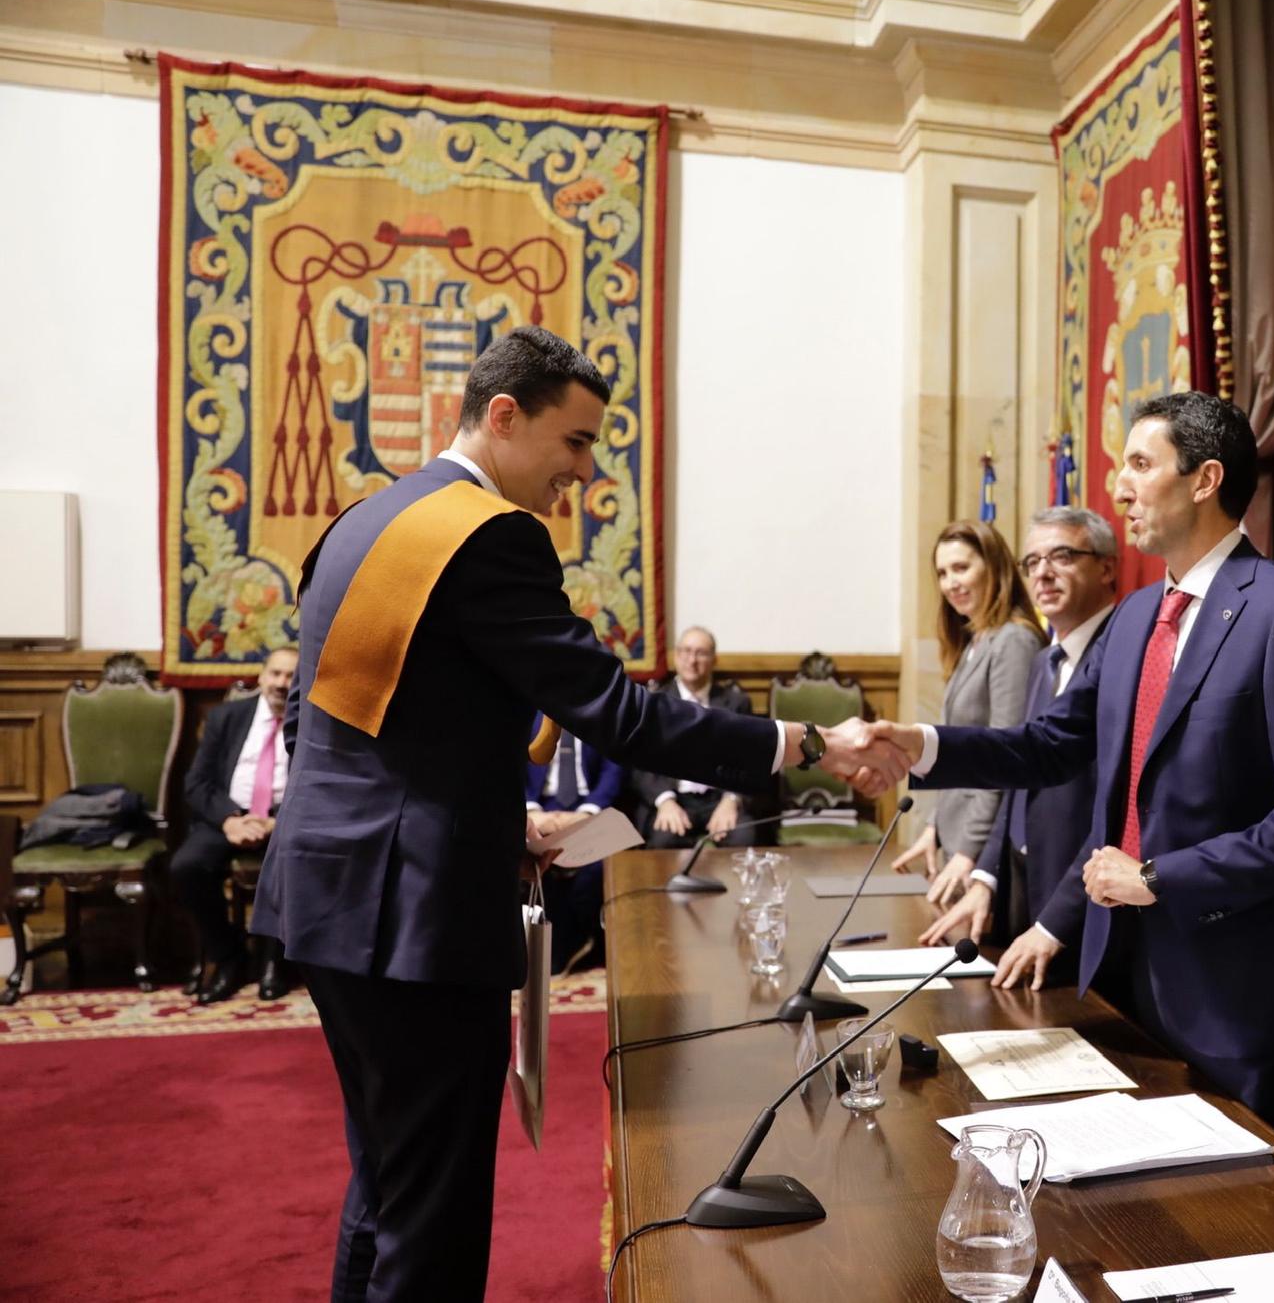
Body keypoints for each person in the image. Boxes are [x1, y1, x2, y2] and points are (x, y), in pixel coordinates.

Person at [250, 326, 903, 1302]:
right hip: (414, 916)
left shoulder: (365, 521)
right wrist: (806, 744)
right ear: (505, 417)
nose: (584, 473)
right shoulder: (489, 534)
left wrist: (487, 818)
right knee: (430, 1214)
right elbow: (618, 711)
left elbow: (337, 717)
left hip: (326, 893)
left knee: (386, 1186)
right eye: (575, 442)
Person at [867, 391, 1274, 1147]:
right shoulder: (1136, 616)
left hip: (1241, 995)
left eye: (1139, 463)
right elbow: (1047, 744)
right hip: (1121, 972)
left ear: (1204, 479)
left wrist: (1160, 876)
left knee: (1246, 1225)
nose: (1120, 488)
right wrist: (921, 744)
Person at [919, 506, 1120, 992]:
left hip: (1088, 900)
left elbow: (1117, 805)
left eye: (1062, 556)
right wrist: (987, 874)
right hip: (1028, 885)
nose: (1043, 573)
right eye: (1033, 562)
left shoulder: (1121, 655)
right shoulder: (1045, 661)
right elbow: (1015, 770)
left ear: (1107, 567)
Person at [889, 520, 1045, 903]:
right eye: (942, 573)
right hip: (955, 841)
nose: (950, 583)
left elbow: (1002, 757)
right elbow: (958, 751)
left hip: (982, 854)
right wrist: (934, 829)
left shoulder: (1014, 640)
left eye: (961, 568)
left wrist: (970, 852)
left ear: (994, 566)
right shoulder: (977, 639)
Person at [168, 646, 299, 1004]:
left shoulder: (312, 722)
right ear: (261, 676)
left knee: (294, 861)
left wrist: (277, 823)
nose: (281, 683)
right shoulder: (226, 717)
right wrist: (229, 821)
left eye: (291, 676)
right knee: (187, 867)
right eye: (275, 674)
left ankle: (274, 961)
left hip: (284, 820)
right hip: (228, 816)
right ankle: (229, 957)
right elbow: (197, 784)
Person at [629, 626, 764, 849]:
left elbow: (750, 758)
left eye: (701, 653)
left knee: (743, 838)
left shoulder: (736, 703)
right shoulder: (653, 703)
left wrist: (731, 800)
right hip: (673, 798)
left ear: (714, 659)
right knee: (663, 841)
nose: (692, 660)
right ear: (675, 656)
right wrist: (664, 800)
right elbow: (638, 764)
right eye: (686, 651)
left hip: (719, 797)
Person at [522, 715, 625, 972]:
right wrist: (532, 812)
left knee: (595, 869)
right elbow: (510, 765)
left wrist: (588, 812)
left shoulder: (597, 713)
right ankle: (545, 951)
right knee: (531, 864)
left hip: (587, 806)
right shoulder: (525, 711)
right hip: (540, 808)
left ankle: (585, 943)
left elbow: (614, 767)